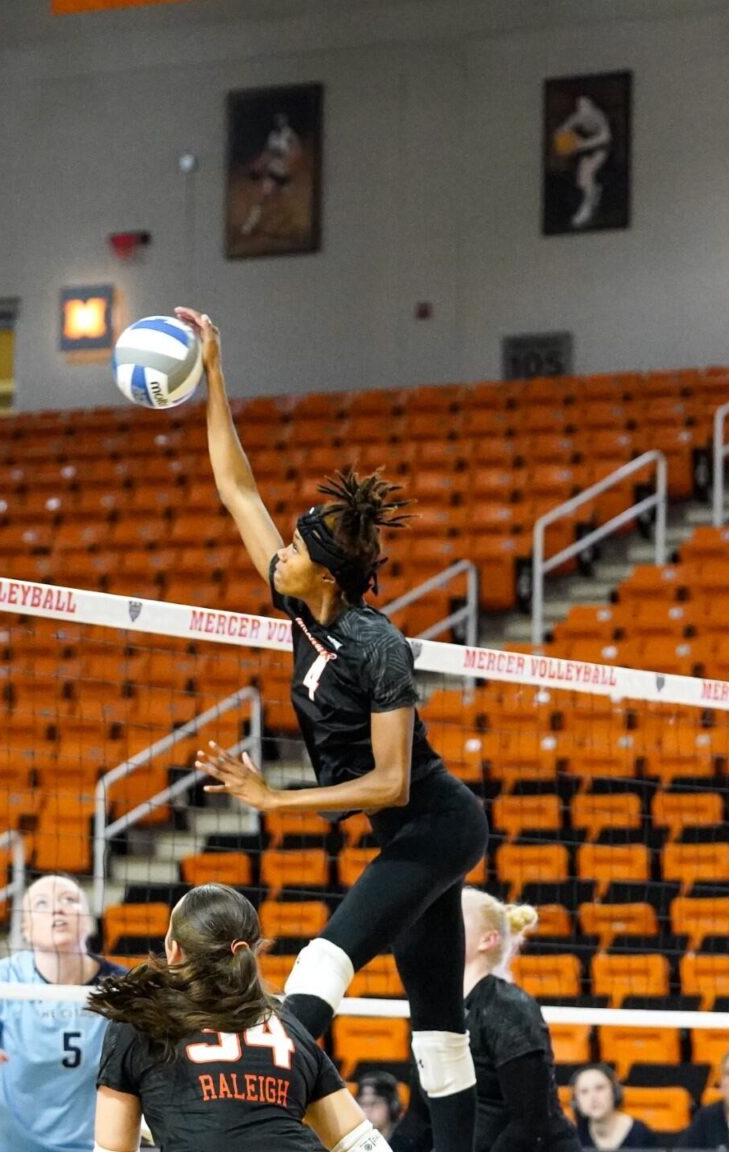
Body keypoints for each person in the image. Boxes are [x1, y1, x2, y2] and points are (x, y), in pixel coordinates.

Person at [182, 305, 491, 1152]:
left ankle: (240, 1116)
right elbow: (234, 487)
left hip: (436, 823)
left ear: (326, 567)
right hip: (407, 830)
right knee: (437, 1026)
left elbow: (391, 783)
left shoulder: (376, 644)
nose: (277, 549)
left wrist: (273, 800)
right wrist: (213, 371)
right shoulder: (296, 602)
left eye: (293, 545)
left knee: (326, 958)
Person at [85, 883, 388, 1152]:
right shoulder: (289, 1028)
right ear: (253, 951)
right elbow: (361, 1142)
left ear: (174, 950)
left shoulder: (141, 1020)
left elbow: (112, 1147)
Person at [0, 874, 127, 1151]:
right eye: (42, 904)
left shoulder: (123, 989)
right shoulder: (1, 978)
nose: (57, 909)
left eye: (69, 900)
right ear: (25, 928)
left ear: (89, 921)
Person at [453, 890, 578, 1152]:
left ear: (487, 940)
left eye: (453, 916)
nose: (438, 925)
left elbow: (530, 1126)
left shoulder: (509, 1009)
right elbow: (419, 1120)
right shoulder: (434, 1008)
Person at [553, 95, 613, 230]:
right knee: (581, 181)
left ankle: (587, 208)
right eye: (579, 105)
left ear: (591, 105)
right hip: (587, 149)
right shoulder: (577, 117)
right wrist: (563, 138)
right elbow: (562, 130)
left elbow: (605, 137)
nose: (582, 109)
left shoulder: (598, 116)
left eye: (585, 105)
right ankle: (594, 192)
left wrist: (582, 144)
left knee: (587, 175)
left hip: (601, 148)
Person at [239, 112, 301, 238]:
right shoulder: (272, 136)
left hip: (285, 172)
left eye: (281, 121)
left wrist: (287, 158)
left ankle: (289, 226)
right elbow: (267, 152)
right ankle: (250, 224)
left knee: (284, 201)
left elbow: (296, 152)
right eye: (277, 121)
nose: (279, 124)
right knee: (262, 197)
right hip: (273, 171)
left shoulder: (290, 136)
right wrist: (258, 165)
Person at [568, 1065, 653, 1150]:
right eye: (584, 1092)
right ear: (576, 1101)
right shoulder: (573, 1137)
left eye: (599, 1088)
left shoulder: (641, 1134)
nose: (593, 1097)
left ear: (614, 1092)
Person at [359, 1072, 405, 1141]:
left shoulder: (409, 1145)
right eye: (363, 1104)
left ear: (392, 1107)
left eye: (374, 1103)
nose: (367, 1110)